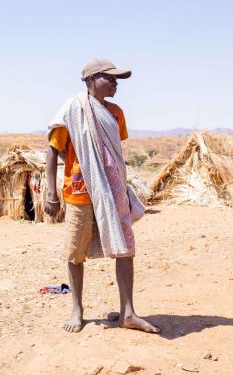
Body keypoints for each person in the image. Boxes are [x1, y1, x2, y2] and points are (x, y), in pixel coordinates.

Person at [45, 59, 160, 334]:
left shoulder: (116, 113)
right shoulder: (72, 109)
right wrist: (51, 193)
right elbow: (51, 152)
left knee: (125, 248)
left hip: (113, 189)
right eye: (110, 78)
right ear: (91, 80)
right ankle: (77, 308)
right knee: (75, 253)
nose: (116, 83)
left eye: (117, 79)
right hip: (80, 192)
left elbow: (110, 153)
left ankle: (128, 313)